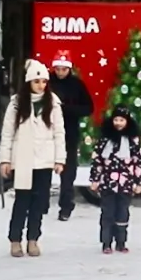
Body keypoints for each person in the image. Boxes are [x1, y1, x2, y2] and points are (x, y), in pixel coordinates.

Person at [0, 59, 66, 258]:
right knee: (22, 201)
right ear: (29, 82)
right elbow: (8, 132)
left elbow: (59, 133)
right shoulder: (17, 103)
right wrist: (5, 159)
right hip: (23, 159)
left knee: (39, 203)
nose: (41, 86)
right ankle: (15, 240)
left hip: (44, 160)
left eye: (44, 82)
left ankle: (33, 239)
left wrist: (59, 159)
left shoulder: (53, 103)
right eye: (37, 82)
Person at [89, 105, 141, 254]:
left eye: (122, 120)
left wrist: (138, 182)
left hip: (126, 184)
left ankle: (121, 242)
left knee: (122, 213)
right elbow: (97, 160)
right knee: (107, 213)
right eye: (116, 119)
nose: (118, 123)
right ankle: (106, 242)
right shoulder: (105, 140)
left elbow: (138, 161)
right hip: (107, 183)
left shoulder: (133, 141)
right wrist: (95, 179)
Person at [49, 50, 94, 221]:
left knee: (68, 172)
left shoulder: (77, 84)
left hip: (69, 133)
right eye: (58, 69)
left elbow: (88, 108)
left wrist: (67, 110)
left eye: (64, 69)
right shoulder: (47, 83)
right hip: (48, 132)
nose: (60, 72)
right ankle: (41, 203)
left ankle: (66, 206)